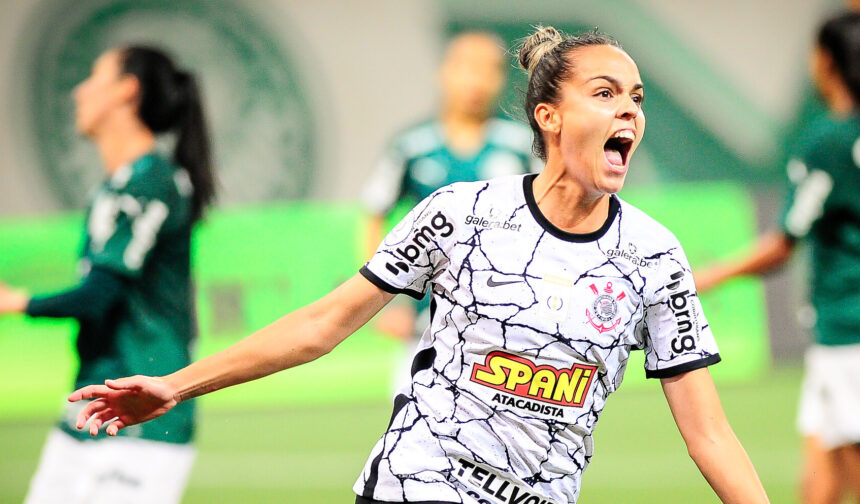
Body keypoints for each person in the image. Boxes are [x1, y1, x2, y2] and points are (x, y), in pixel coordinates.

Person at [68, 27, 770, 504]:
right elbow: (321, 325)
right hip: (421, 480)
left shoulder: (654, 257)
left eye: (637, 99)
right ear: (549, 117)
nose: (630, 112)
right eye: (606, 93)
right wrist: (176, 386)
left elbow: (707, 431)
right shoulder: (459, 214)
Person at [694, 9, 860, 504]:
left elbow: (783, 245)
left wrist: (708, 276)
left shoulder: (829, 143)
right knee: (818, 484)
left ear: (827, 62)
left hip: (856, 330)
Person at [0, 46, 214, 503]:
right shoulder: (118, 184)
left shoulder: (151, 181)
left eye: (94, 76)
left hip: (143, 406)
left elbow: (99, 294)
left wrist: (18, 302)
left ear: (126, 91)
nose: (80, 91)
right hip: (94, 397)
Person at [362, 31, 540, 351]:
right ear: (444, 73)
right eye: (467, 68)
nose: (477, 81)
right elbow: (374, 216)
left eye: (489, 70)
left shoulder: (522, 145)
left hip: (506, 317)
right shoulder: (411, 146)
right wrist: (386, 300)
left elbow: (550, 219)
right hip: (425, 321)